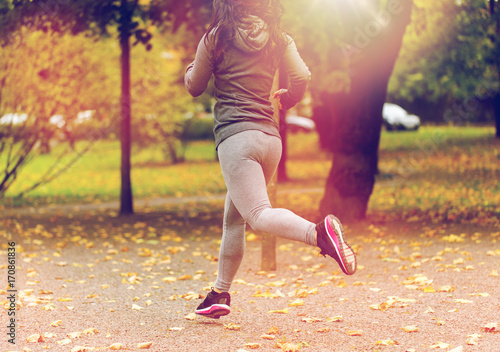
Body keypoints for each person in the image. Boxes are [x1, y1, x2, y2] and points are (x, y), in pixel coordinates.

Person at [184, 0, 357, 319]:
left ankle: (319, 234)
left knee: (259, 215)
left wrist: (188, 71)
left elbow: (195, 86)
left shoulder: (217, 37)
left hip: (237, 139)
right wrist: (289, 98)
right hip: (269, 139)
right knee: (234, 217)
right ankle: (219, 294)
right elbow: (302, 75)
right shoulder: (279, 37)